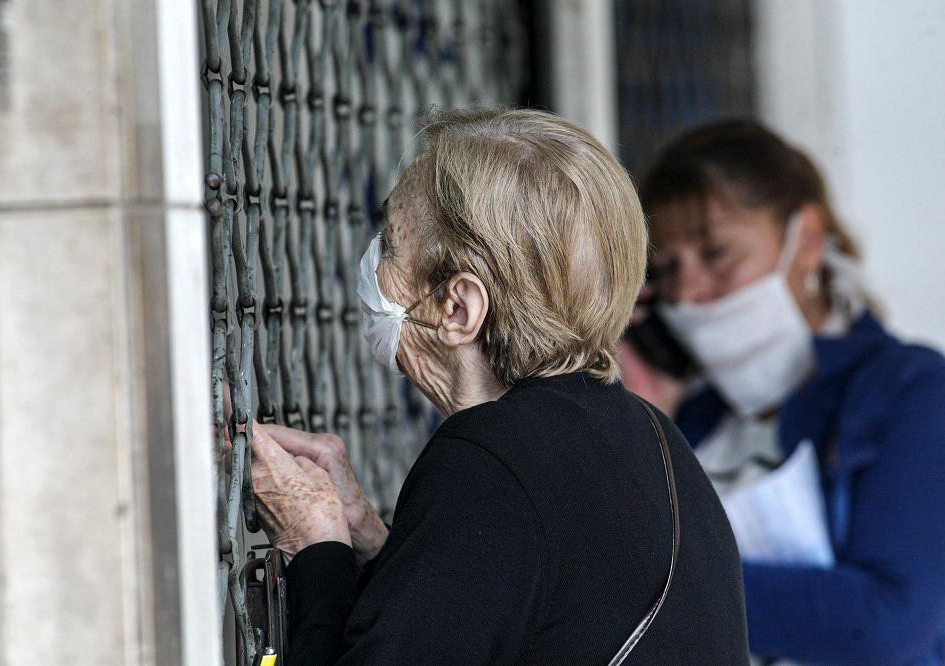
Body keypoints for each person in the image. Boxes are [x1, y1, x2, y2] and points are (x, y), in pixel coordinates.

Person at [245, 108, 750, 664]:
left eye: (390, 246)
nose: (372, 266)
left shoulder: (489, 458)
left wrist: (315, 550)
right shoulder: (655, 440)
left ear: (457, 308)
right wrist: (367, 541)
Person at [622, 119, 945, 665]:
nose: (689, 293)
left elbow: (888, 623)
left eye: (716, 254)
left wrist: (674, 593)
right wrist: (647, 418)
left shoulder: (909, 389)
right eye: (669, 270)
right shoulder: (693, 421)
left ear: (808, 242)